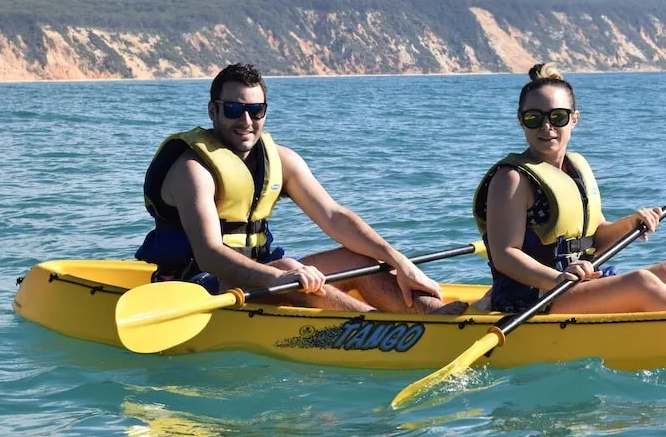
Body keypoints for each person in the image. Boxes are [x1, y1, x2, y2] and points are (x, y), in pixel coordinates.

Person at [135, 63, 465, 314]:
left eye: (256, 110)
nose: (246, 121)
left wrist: (399, 261)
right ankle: (388, 333)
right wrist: (277, 278)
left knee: (359, 257)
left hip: (266, 276)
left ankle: (437, 319)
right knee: (293, 270)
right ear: (213, 111)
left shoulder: (281, 160)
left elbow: (334, 217)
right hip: (198, 285)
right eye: (234, 109)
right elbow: (209, 254)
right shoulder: (193, 170)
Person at [472, 62, 666, 314]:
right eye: (534, 118)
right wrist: (558, 278)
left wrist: (630, 223)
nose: (547, 127)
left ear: (574, 119)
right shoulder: (512, 179)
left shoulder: (575, 168)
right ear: (521, 120)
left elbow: (598, 236)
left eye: (557, 117)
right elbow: (505, 256)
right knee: (640, 282)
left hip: (577, 286)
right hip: (535, 298)